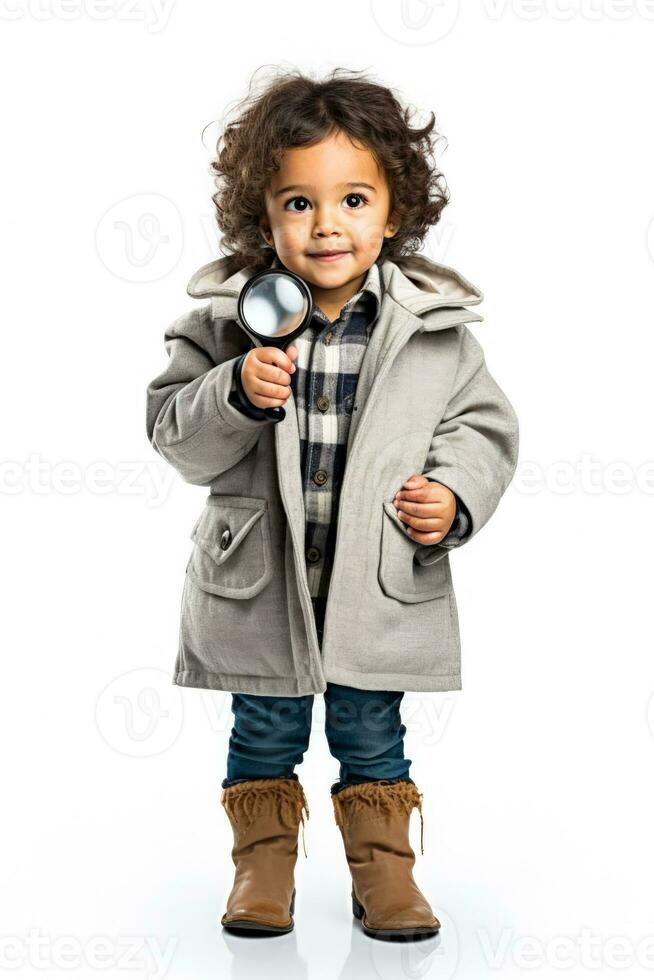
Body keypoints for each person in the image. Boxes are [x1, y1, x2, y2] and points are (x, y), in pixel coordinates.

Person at [145, 67, 519, 940]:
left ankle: (385, 877)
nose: (327, 226)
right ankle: (261, 873)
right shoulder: (220, 324)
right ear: (262, 217)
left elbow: (485, 428)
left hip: (376, 584)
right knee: (264, 735)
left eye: (353, 199)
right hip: (264, 584)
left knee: (372, 735)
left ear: (395, 212)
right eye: (298, 203)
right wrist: (233, 391)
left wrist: (455, 493)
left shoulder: (433, 332)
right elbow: (173, 433)